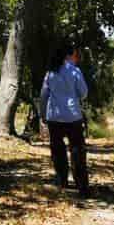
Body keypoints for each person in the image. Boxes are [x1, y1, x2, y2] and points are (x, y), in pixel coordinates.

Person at [38, 42, 90, 197]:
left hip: (54, 116)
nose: (76, 57)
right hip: (73, 116)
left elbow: (44, 95)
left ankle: (62, 181)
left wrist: (42, 113)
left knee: (57, 150)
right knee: (77, 150)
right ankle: (81, 184)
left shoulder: (51, 72)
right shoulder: (75, 71)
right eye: (74, 54)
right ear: (68, 55)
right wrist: (73, 96)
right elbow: (84, 93)